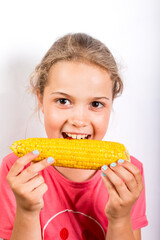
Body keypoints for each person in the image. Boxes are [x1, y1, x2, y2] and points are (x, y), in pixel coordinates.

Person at [0, 33, 148, 240]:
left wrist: (121, 217)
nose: (79, 120)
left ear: (111, 105)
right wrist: (27, 211)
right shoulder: (17, 172)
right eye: (63, 101)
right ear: (40, 100)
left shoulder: (128, 176)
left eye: (96, 104)